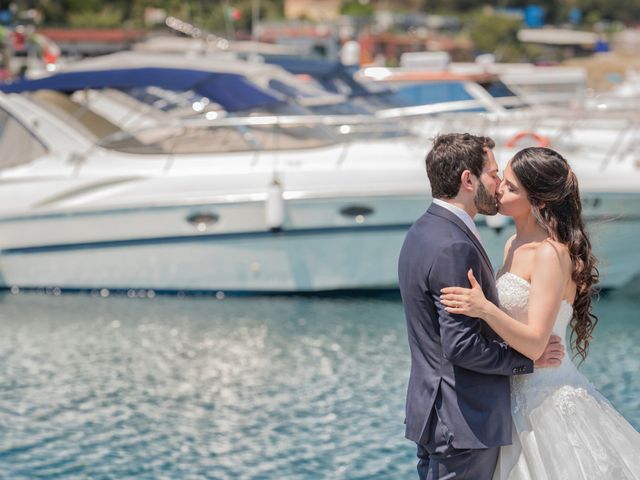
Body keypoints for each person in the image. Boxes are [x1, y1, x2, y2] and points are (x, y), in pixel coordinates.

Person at [440, 146, 640, 478]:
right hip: (511, 398)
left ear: (540, 201)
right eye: (503, 179)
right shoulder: (512, 245)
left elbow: (535, 343)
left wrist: (484, 309)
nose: (500, 189)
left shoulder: (551, 254)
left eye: (512, 187)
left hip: (545, 398)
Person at [398, 134, 565, 480]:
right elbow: (460, 345)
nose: (499, 184)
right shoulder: (455, 245)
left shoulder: (421, 231)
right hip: (463, 420)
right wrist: (527, 360)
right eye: (492, 173)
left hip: (437, 414)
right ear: (468, 180)